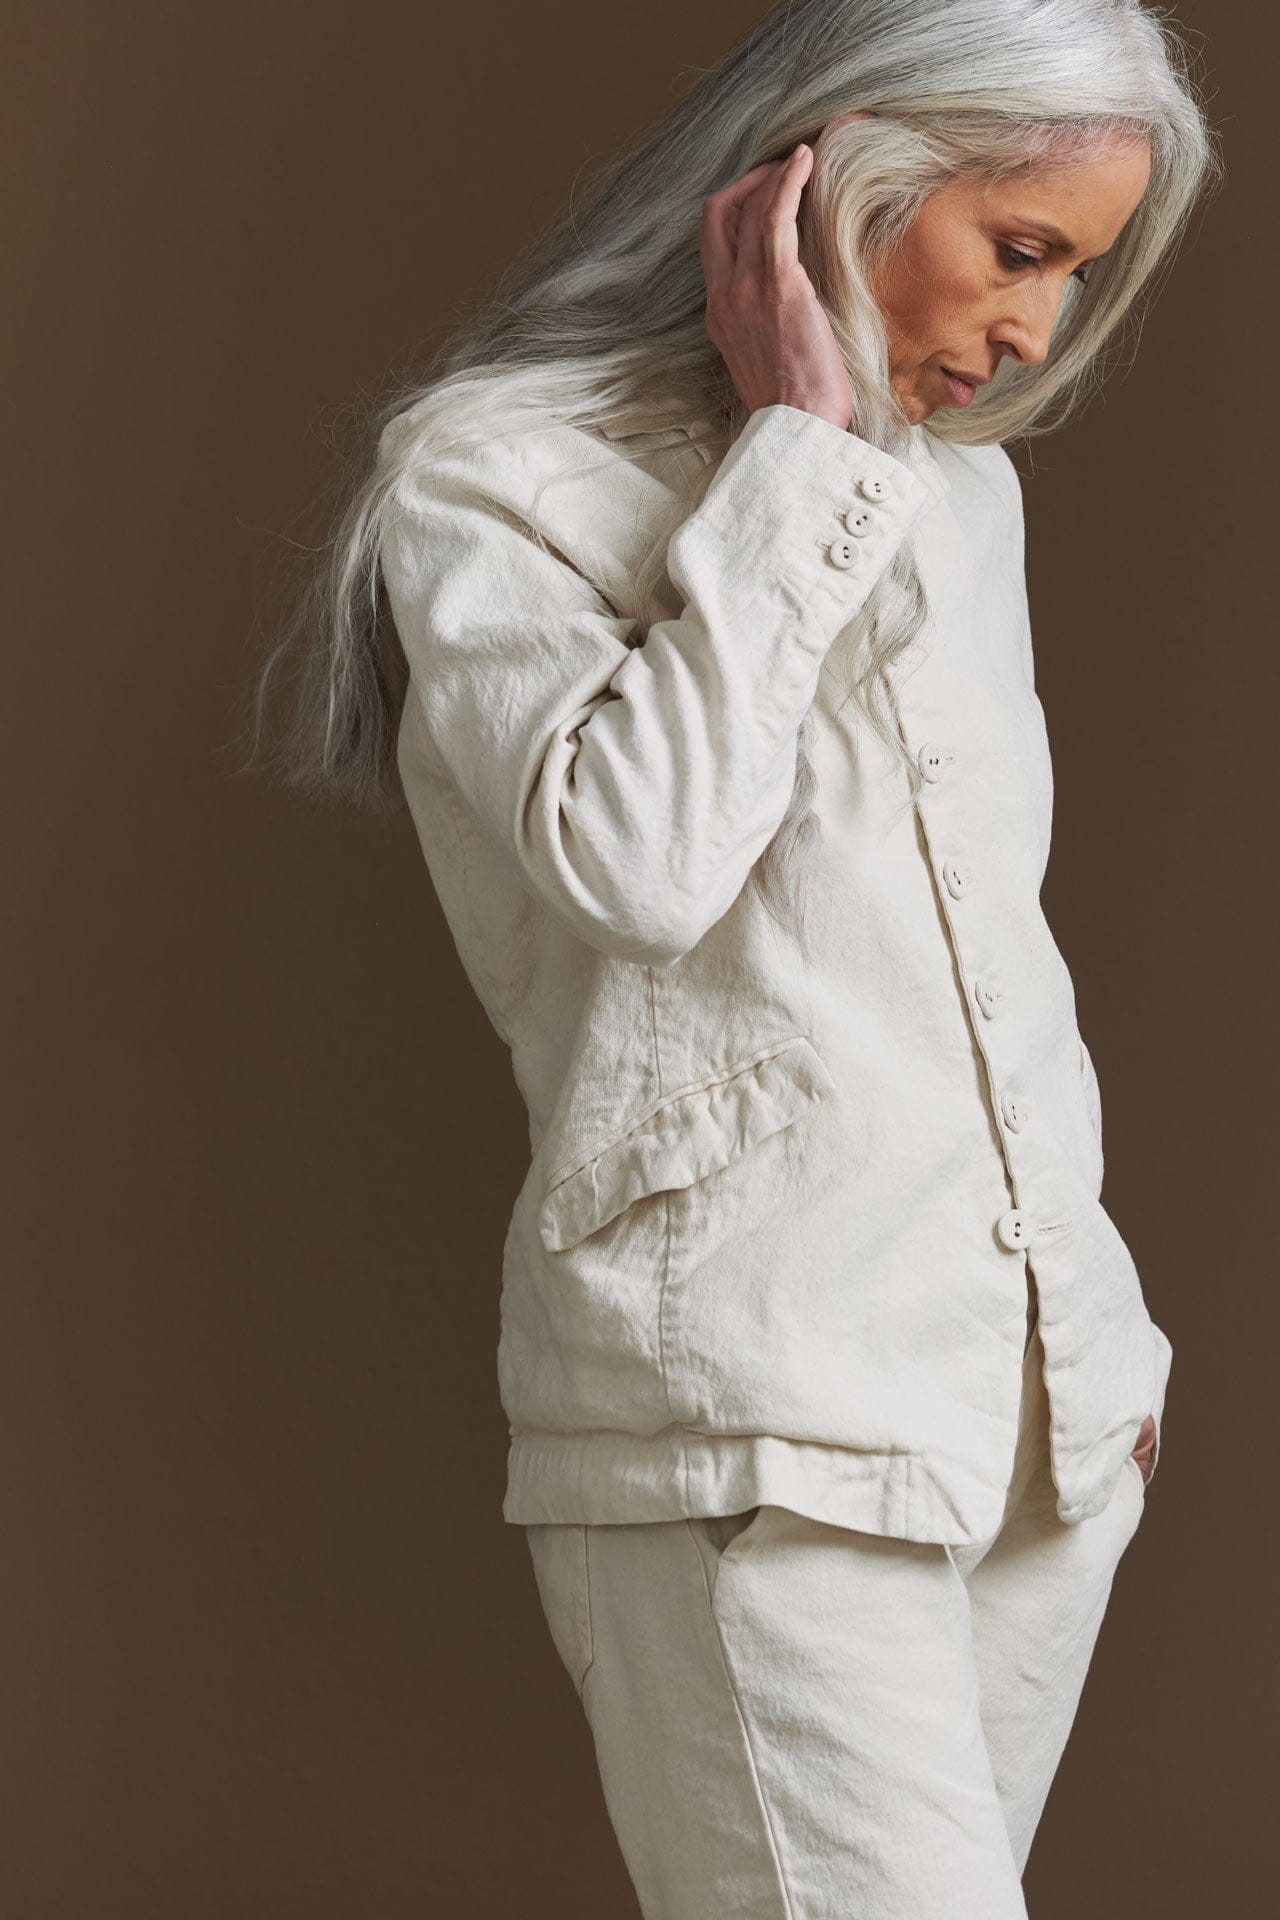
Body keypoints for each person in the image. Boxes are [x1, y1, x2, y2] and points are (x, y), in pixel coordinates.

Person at [245, 0, 1221, 1910]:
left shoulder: (965, 498)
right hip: (752, 1413)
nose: (1035, 332)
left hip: (1041, 1428)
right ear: (838, 173)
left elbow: (975, 941)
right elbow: (641, 861)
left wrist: (1091, 1329)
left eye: (1076, 280)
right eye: (1018, 251)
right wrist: (793, 448)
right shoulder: (497, 476)